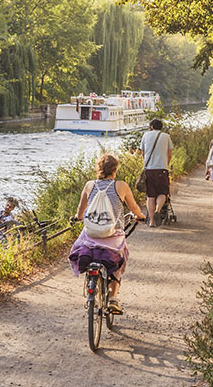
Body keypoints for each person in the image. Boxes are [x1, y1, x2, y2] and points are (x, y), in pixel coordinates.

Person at [68, 153, 146, 314]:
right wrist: (140, 216)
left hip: (91, 235)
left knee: (84, 246)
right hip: (113, 235)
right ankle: (113, 298)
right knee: (119, 259)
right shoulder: (121, 186)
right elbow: (134, 208)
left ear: (98, 169)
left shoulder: (89, 185)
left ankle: (91, 281)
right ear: (114, 170)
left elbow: (80, 211)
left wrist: (78, 217)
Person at [140, 118, 173, 226]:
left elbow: (143, 153)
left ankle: (151, 221)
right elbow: (169, 155)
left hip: (149, 169)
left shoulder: (145, 135)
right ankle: (158, 210)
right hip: (162, 169)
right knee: (162, 192)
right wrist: (165, 164)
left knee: (150, 195)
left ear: (151, 127)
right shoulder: (166, 137)